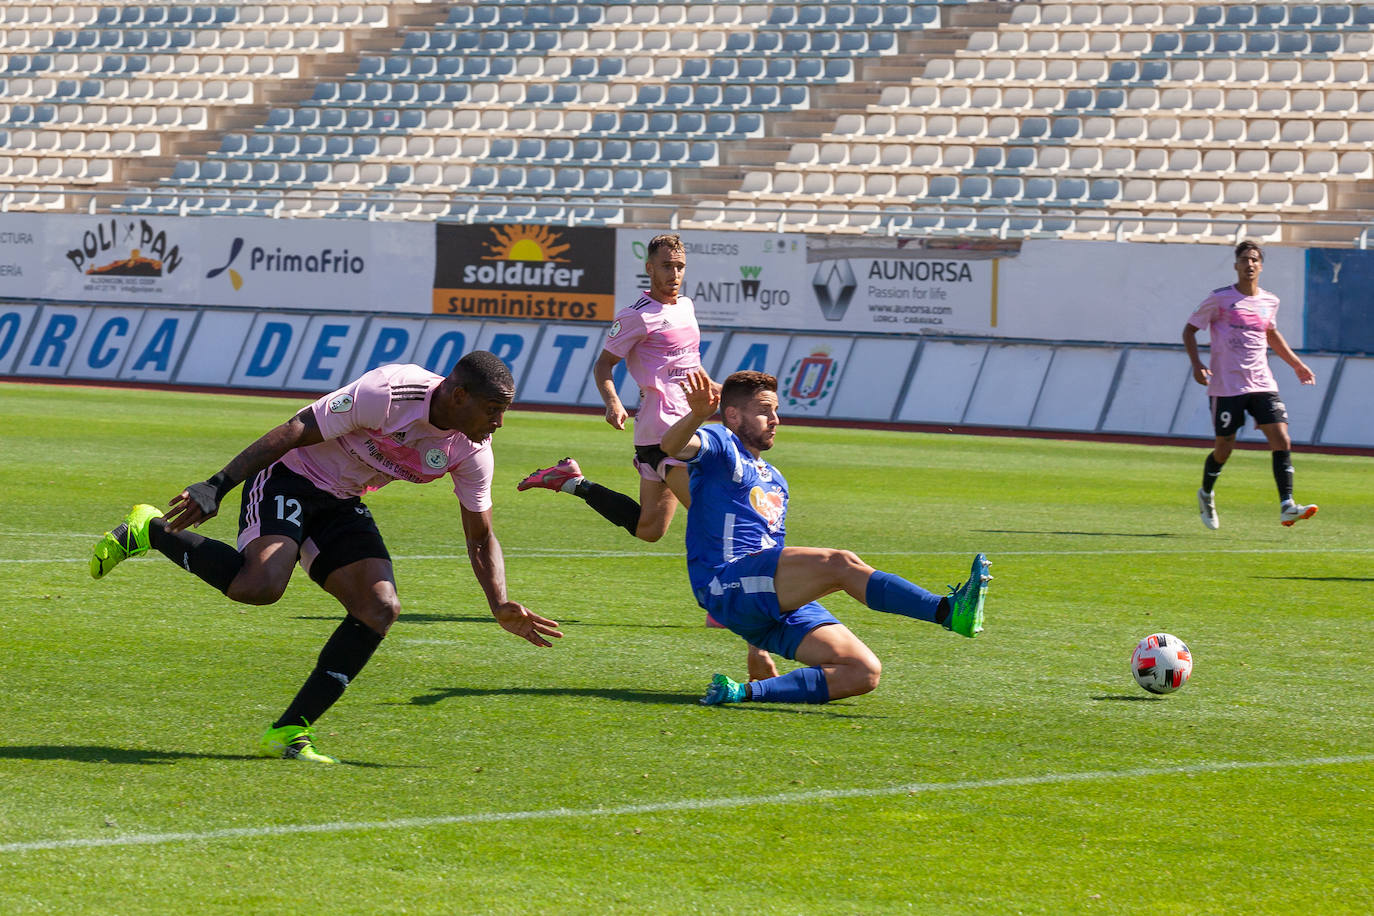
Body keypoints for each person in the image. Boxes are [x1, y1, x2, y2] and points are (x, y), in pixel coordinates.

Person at [90, 351, 562, 763]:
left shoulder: (472, 450)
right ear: (458, 395)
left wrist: (498, 601)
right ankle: (150, 530)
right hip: (289, 477)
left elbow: (481, 537)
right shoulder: (390, 391)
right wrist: (216, 485)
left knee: (379, 608)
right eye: (493, 410)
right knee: (260, 587)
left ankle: (289, 732)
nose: (498, 423)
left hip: (341, 499)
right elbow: (297, 428)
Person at [517, 233, 779, 682]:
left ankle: (570, 481)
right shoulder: (635, 317)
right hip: (663, 435)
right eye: (665, 266)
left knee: (650, 530)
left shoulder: (687, 307)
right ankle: (738, 624)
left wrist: (712, 389)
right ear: (649, 268)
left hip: (689, 427)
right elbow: (603, 367)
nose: (673, 274)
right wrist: (613, 402)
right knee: (725, 521)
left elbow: (686, 363)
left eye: (679, 266)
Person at [660, 368, 991, 706]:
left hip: (759, 599)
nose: (775, 419)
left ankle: (743, 692)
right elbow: (672, 446)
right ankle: (945, 611)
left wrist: (755, 646)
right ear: (733, 414)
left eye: (776, 410)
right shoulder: (722, 443)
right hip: (724, 583)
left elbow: (771, 560)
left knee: (862, 671)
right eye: (764, 410)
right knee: (840, 563)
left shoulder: (775, 480)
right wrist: (697, 415)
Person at [1183, 240, 1318, 530]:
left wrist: (1296, 364)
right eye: (1244, 259)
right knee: (1224, 448)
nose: (1250, 264)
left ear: (1261, 265)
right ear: (1236, 265)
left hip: (1262, 382)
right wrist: (1197, 365)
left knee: (1282, 439)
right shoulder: (1219, 299)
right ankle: (1206, 493)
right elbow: (1189, 330)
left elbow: (1270, 334)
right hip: (1227, 386)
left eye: (1255, 259)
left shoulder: (1270, 301)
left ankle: (1287, 505)